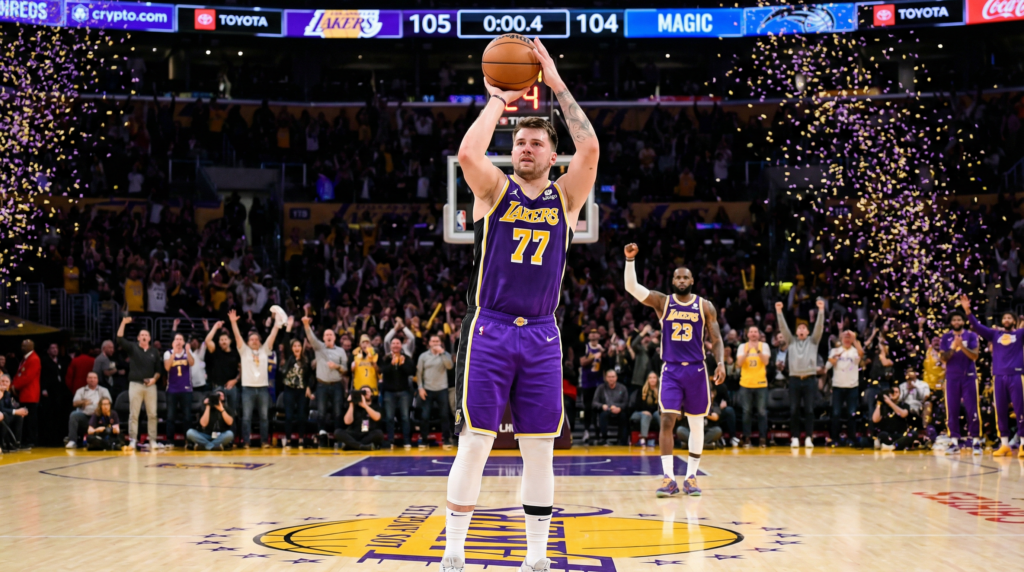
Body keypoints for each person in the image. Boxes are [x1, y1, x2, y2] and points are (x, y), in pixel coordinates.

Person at [442, 38, 598, 572]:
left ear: (553, 157)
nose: (526, 148)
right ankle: (454, 553)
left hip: (541, 333)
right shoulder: (494, 190)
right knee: (475, 443)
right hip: (488, 328)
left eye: (536, 143)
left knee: (539, 449)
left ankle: (536, 558)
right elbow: (468, 155)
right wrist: (497, 101)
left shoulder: (567, 198)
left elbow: (591, 150)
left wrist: (555, 82)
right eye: (521, 143)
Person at [623, 243, 725, 498]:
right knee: (667, 419)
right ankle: (668, 478)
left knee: (696, 424)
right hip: (671, 370)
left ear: (692, 281)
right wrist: (629, 260)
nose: (681, 280)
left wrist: (721, 362)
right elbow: (632, 287)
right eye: (677, 277)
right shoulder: (663, 302)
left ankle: (691, 477)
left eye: (685, 277)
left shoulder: (705, 306)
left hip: (697, 370)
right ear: (672, 281)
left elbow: (717, 338)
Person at [960, 295, 1024, 457]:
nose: (1007, 320)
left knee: (1020, 410)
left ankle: (1023, 444)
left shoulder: (1020, 334)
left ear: (1015, 321)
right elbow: (976, 326)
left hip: (1017, 375)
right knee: (1000, 411)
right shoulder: (995, 335)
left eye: (1009, 318)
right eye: (1004, 318)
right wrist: (967, 311)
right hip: (999, 377)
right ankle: (1004, 445)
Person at [775, 299, 826, 448]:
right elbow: (783, 328)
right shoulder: (791, 341)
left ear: (808, 332)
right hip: (794, 380)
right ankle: (795, 437)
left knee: (809, 410)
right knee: (794, 410)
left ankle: (809, 437)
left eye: (804, 328)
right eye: (799, 328)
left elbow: (819, 327)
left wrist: (821, 311)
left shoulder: (813, 341)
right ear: (796, 332)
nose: (802, 330)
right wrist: (779, 312)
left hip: (810, 380)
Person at [229, 309, 282, 448]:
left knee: (264, 417)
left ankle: (264, 442)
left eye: (256, 339)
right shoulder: (244, 351)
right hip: (247, 389)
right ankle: (246, 442)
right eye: (251, 339)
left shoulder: (265, 350)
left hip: (263, 388)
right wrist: (233, 323)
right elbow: (237, 336)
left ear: (260, 342)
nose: (254, 341)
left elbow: (272, 335)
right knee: (246, 417)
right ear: (247, 342)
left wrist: (277, 323)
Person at [117, 317, 163, 450]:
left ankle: (152, 440)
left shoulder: (154, 352)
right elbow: (119, 339)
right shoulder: (133, 348)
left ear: (149, 338)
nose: (144, 336)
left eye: (146, 335)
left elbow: (158, 370)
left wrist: (154, 380)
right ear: (138, 338)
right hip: (135, 384)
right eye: (141, 335)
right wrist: (123, 323)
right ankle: (133, 440)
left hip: (151, 385)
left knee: (152, 414)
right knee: (134, 414)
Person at [940, 311, 981, 455]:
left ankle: (976, 441)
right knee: (952, 410)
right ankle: (954, 441)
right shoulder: (946, 337)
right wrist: (953, 347)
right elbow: (943, 358)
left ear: (963, 321)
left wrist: (961, 346)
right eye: (954, 320)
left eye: (959, 319)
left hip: (969, 377)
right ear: (951, 322)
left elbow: (974, 356)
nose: (956, 322)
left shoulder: (971, 335)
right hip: (952, 377)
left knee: (972, 409)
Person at [303, 316, 348, 446]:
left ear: (334, 338)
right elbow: (311, 337)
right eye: (326, 335)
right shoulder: (319, 347)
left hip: (337, 384)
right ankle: (322, 436)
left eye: (331, 334)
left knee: (338, 412)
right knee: (321, 412)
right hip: (322, 384)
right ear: (323, 338)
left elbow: (345, 370)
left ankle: (338, 436)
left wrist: (337, 366)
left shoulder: (341, 351)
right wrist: (306, 325)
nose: (328, 336)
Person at [826, 331, 864, 447]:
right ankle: (834, 438)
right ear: (841, 339)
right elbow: (827, 366)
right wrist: (834, 359)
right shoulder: (835, 351)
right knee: (836, 414)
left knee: (851, 414)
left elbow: (861, 354)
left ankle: (851, 438)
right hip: (838, 386)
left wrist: (855, 339)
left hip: (852, 387)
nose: (847, 340)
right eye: (845, 337)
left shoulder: (854, 351)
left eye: (849, 338)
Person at [417, 334, 454, 449]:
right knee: (425, 416)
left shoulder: (445, 354)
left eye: (437, 341)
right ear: (429, 343)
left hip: (442, 388)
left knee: (444, 415)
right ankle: (424, 441)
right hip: (427, 389)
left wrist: (442, 353)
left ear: (440, 343)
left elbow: (449, 366)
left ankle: (446, 440)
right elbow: (419, 373)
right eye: (433, 341)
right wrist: (420, 387)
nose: (435, 343)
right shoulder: (423, 356)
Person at [736, 327, 771, 447]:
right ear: (747, 334)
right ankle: (747, 438)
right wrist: (747, 352)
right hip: (746, 383)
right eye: (751, 332)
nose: (753, 334)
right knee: (746, 412)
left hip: (761, 383)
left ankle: (763, 438)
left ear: (759, 334)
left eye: (755, 332)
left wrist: (757, 350)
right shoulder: (742, 347)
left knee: (762, 412)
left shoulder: (764, 346)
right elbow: (739, 363)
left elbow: (766, 362)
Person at [380, 337, 415, 449]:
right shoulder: (385, 358)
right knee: (389, 418)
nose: (395, 345)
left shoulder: (407, 358)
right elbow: (382, 371)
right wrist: (392, 364)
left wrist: (402, 364)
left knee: (405, 417)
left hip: (404, 392)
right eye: (393, 343)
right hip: (389, 393)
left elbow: (411, 372)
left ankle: (407, 441)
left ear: (401, 346)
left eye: (398, 343)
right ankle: (391, 440)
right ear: (390, 346)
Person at [281, 333, 313, 448]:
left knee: (301, 416)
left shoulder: (306, 360)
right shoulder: (289, 358)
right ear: (291, 348)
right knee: (289, 416)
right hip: (289, 390)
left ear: (301, 348)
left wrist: (308, 387)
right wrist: (288, 328)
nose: (297, 348)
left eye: (299, 346)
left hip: (301, 391)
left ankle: (301, 439)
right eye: (294, 346)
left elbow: (310, 376)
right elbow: (285, 342)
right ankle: (288, 439)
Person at [163, 333, 195, 447]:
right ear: (173, 342)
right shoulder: (168, 353)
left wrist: (188, 351)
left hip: (186, 389)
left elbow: (192, 363)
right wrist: (174, 353)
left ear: (184, 342)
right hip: (172, 390)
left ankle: (188, 440)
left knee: (187, 416)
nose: (178, 341)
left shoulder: (188, 352)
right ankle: (170, 440)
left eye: (181, 339)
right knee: (170, 416)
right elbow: (167, 367)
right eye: (176, 339)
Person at [204, 321, 241, 418]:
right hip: (218, 387)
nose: (224, 341)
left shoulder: (236, 353)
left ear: (230, 341)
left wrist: (236, 380)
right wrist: (215, 327)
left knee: (232, 413)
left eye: (225, 339)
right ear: (219, 342)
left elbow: (242, 369)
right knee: (217, 413)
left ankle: (232, 428)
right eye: (221, 340)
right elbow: (207, 341)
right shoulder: (215, 351)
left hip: (232, 387)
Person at [65, 372, 111, 448]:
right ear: (87, 379)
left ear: (97, 380)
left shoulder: (104, 390)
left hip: (98, 417)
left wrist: (100, 406)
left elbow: (109, 403)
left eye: (94, 378)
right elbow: (75, 403)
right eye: (90, 378)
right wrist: (84, 402)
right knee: (74, 415)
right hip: (85, 417)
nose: (92, 380)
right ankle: (72, 441)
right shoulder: (80, 390)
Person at [335, 385, 384, 451]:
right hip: (354, 433)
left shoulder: (375, 406)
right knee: (338, 432)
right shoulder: (354, 406)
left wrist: (365, 406)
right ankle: (361, 446)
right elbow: (347, 422)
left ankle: (352, 446)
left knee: (379, 433)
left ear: (372, 394)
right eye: (363, 392)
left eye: (368, 392)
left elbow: (377, 417)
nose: (365, 393)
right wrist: (351, 404)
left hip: (367, 434)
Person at [11, 339, 40, 448]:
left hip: (30, 394)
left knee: (30, 419)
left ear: (31, 347)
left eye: (25, 346)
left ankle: (31, 440)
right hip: (24, 393)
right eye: (22, 345)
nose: (22, 348)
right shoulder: (26, 358)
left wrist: (14, 386)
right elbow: (19, 374)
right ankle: (26, 440)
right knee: (26, 419)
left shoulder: (34, 359)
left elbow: (27, 377)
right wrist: (13, 385)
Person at [580, 329, 604, 443]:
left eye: (596, 333)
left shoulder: (602, 348)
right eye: (591, 333)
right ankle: (587, 431)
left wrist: (603, 352)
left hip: (599, 383)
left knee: (598, 409)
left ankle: (599, 433)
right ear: (588, 336)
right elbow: (582, 362)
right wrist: (594, 356)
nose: (594, 334)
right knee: (588, 408)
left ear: (599, 335)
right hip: (587, 383)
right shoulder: (585, 347)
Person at [592, 369, 629, 445]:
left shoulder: (623, 388)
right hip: (606, 410)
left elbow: (626, 403)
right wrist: (602, 406)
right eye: (609, 377)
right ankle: (604, 439)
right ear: (606, 378)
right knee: (602, 415)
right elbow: (594, 403)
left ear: (616, 377)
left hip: (618, 410)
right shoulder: (601, 388)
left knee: (624, 416)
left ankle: (622, 441)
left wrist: (619, 408)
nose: (611, 379)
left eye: (613, 377)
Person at [630, 372, 660, 447]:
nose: (652, 380)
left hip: (653, 413)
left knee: (659, 414)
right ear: (647, 380)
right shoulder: (641, 390)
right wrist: (645, 411)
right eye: (650, 378)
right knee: (646, 415)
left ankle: (664, 438)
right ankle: (642, 440)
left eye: (654, 378)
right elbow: (637, 405)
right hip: (639, 413)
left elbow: (660, 407)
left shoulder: (661, 391)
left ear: (657, 379)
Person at [0, 374, 29, 451]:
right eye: (2, 381)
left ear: (9, 384)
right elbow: (1, 409)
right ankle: (3, 444)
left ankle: (16, 443)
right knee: (5, 415)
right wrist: (16, 411)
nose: (4, 383)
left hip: (5, 415)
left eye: (7, 381)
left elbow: (11, 407)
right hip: (2, 415)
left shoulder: (8, 394)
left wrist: (20, 411)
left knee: (19, 416)